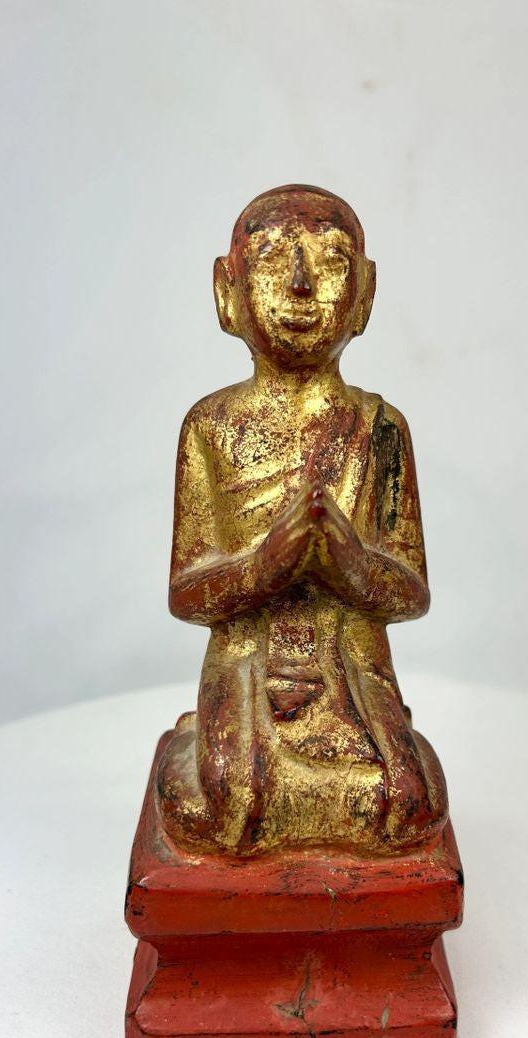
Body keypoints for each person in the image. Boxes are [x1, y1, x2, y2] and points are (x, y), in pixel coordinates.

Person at [157, 184, 447, 855]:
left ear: (366, 295)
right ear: (226, 291)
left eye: (329, 261)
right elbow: (186, 593)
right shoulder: (212, 427)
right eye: (270, 260)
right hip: (247, 660)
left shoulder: (379, 429)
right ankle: (200, 740)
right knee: (230, 808)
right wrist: (265, 564)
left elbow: (410, 593)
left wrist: (349, 561)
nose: (298, 285)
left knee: (410, 802)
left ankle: (220, 746)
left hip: (348, 662)